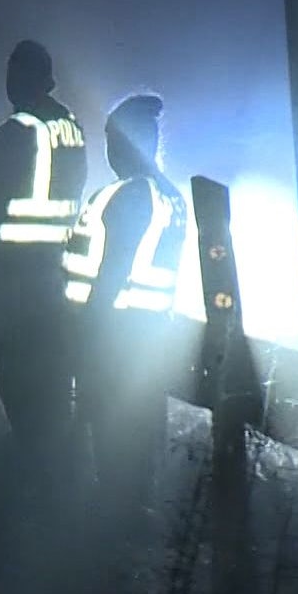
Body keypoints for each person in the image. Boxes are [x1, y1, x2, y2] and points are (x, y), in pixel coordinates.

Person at [63, 93, 188, 530]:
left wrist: (83, 339)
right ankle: (126, 526)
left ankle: (111, 545)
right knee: (135, 451)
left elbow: (111, 273)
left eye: (112, 139)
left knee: (113, 451)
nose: (108, 149)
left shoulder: (128, 196)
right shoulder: (171, 196)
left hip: (112, 341)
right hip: (147, 340)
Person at [0, 40, 88, 476]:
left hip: (14, 272)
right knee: (53, 370)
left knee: (17, 373)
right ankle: (56, 461)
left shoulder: (17, 129)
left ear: (24, 78)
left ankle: (31, 462)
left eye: (12, 75)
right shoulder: (71, 126)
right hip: (56, 269)